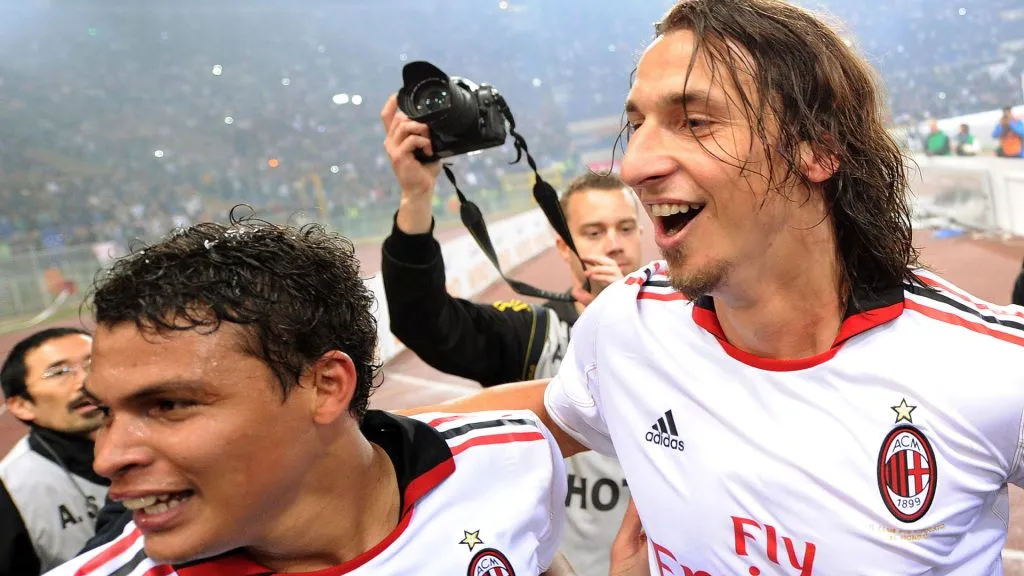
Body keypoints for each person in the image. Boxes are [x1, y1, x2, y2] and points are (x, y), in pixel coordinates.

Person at [397, 0, 1024, 573]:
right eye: (636, 125)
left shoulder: (990, 367)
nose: (636, 165)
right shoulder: (625, 328)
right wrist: (350, 441)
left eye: (694, 121)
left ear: (818, 147)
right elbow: (546, 410)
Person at [45, 212, 573, 576]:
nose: (108, 458)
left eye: (167, 406)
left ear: (326, 386)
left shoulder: (511, 456)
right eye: (105, 413)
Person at [379, 93, 645, 576]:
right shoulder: (534, 336)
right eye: (594, 232)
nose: (614, 244)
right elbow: (423, 321)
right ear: (564, 248)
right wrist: (416, 197)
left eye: (625, 228)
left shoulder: (690, 324)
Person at [0, 327, 108, 575]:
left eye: (94, 362)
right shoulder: (12, 492)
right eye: (59, 372)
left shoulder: (170, 443)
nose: (85, 380)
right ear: (22, 405)